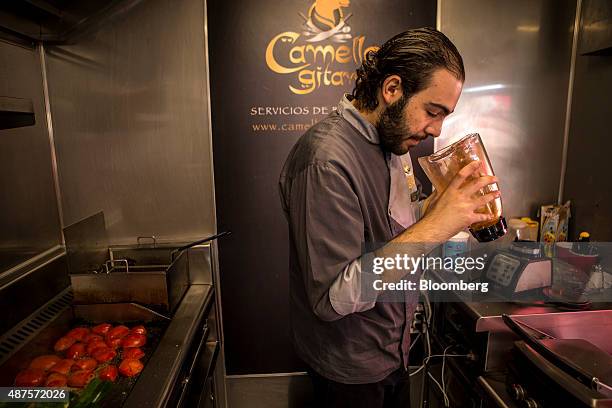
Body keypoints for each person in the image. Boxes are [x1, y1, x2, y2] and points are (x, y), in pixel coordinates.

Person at [278, 28, 499, 408]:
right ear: (392, 89)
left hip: (392, 352)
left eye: (445, 116)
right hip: (350, 369)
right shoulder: (325, 162)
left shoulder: (391, 141)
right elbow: (334, 298)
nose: (437, 130)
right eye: (432, 112)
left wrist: (432, 212)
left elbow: (389, 231)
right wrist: (435, 226)